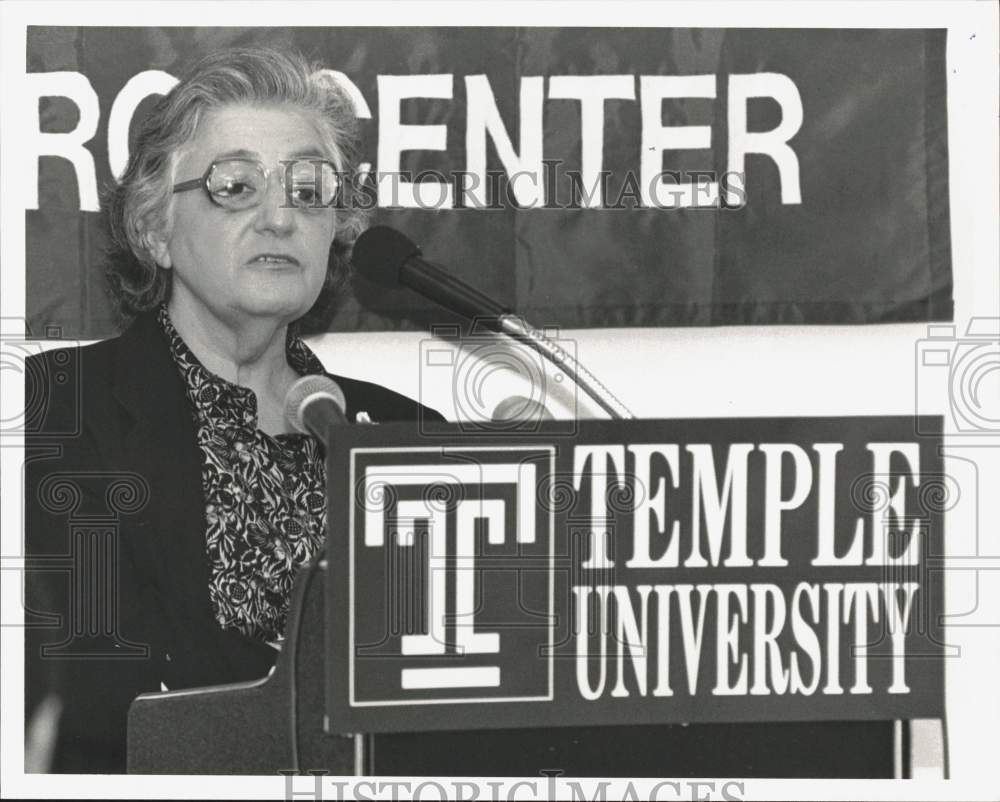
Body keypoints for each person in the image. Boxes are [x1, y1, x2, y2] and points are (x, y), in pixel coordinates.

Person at [23, 46, 442, 774]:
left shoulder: (413, 436)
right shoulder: (53, 414)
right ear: (154, 230)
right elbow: (88, 690)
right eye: (236, 186)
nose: (280, 218)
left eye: (308, 189)